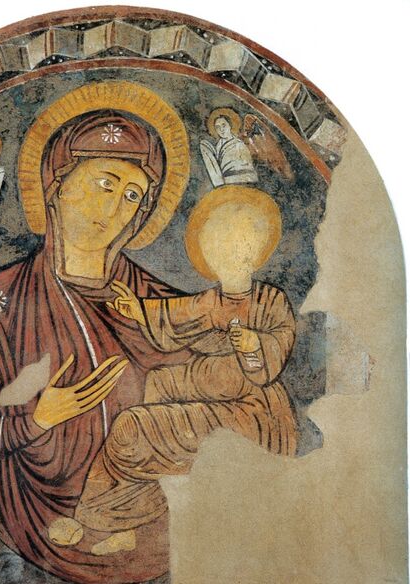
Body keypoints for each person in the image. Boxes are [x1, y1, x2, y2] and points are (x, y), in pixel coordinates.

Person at [0, 82, 192, 584]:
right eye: (105, 183)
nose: (116, 207)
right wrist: (34, 420)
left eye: (133, 195)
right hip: (26, 550)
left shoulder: (166, 309)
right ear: (57, 185)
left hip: (165, 548)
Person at [50, 185, 298, 555]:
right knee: (156, 386)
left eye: (238, 242)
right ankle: (123, 523)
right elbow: (174, 315)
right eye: (217, 243)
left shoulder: (270, 299)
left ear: (257, 249)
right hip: (205, 388)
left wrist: (253, 345)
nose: (226, 252)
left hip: (251, 411)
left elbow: (279, 343)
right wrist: (139, 309)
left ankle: (100, 517)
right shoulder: (210, 300)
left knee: (132, 427)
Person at [200, 108, 258, 187]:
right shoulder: (218, 147)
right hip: (224, 185)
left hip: (240, 183)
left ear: (230, 125)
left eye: (224, 125)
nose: (221, 129)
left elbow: (248, 171)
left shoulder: (239, 145)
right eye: (217, 127)